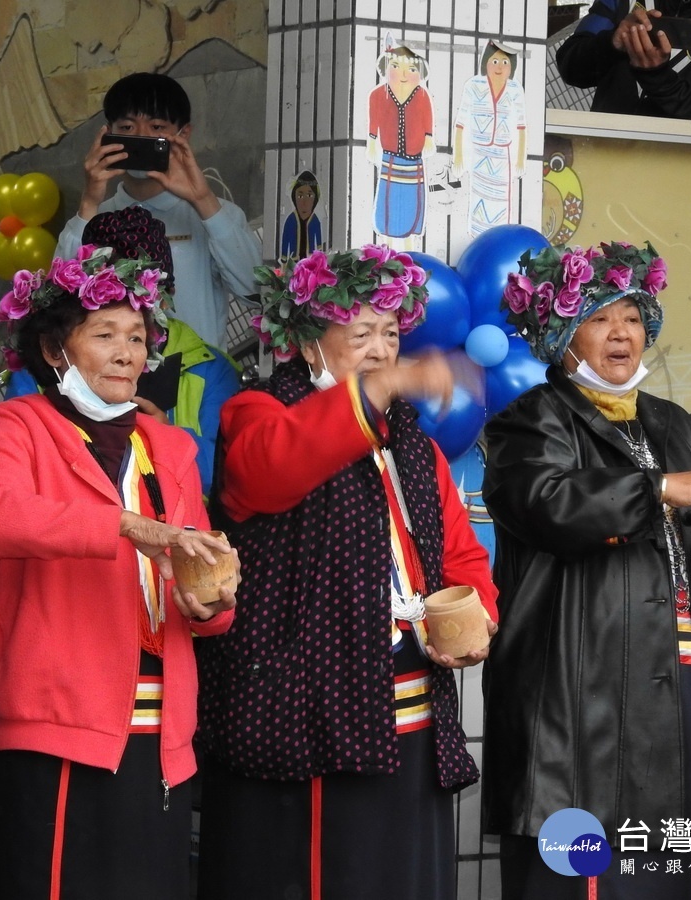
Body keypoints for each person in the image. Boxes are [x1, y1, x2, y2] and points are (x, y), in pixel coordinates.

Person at [482, 241, 691, 899]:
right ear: (564, 335)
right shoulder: (528, 423)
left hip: (680, 686)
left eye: (632, 317)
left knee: (664, 873)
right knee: (581, 875)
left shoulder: (683, 427)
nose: (622, 333)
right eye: (600, 319)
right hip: (582, 694)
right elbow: (547, 505)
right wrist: (656, 489)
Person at [195, 246, 499, 900]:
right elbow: (273, 469)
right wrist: (378, 393)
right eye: (360, 333)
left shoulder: (412, 442)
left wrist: (477, 620)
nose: (382, 350)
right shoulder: (256, 412)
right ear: (307, 346)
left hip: (410, 712)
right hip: (299, 719)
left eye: (391, 334)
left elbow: (460, 554)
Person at [0, 242, 238, 899]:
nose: (126, 353)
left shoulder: (169, 446)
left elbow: (194, 572)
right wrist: (122, 523)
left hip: (158, 731)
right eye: (105, 334)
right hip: (53, 722)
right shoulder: (16, 425)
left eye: (137, 337)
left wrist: (210, 603)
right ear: (57, 351)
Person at [7, 206, 239, 490]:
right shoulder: (39, 369)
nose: (123, 355)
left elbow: (231, 479)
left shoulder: (212, 370)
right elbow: (13, 486)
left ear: (167, 296)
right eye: (104, 333)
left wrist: (166, 437)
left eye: (141, 296)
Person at [55, 71, 262, 350]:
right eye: (127, 128)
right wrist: (89, 202)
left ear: (183, 134)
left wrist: (203, 199)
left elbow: (256, 290)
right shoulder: (94, 218)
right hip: (117, 383)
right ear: (107, 134)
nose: (141, 138)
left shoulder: (214, 214)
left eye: (156, 127)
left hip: (199, 380)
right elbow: (58, 298)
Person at [555, 0, 691, 123]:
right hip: (603, 155)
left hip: (676, 176)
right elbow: (570, 67)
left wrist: (658, 77)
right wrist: (613, 42)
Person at [452, 42, 527, 236]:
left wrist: (520, 159)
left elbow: (521, 126)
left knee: (501, 204)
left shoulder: (515, 89)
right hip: (479, 152)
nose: (499, 67)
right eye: (494, 61)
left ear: (511, 67)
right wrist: (459, 156)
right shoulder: (473, 85)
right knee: (479, 201)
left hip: (503, 155)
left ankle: (498, 238)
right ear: (486, 63)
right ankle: (477, 238)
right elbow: (460, 123)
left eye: (505, 62)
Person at [367, 39, 434, 247]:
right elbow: (374, 120)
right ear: (385, 69)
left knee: (411, 203)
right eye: (396, 67)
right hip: (390, 157)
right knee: (388, 202)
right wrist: (371, 141)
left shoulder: (422, 95)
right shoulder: (378, 95)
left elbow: (427, 119)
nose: (404, 75)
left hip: (414, 159)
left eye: (411, 69)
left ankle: (409, 247)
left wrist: (429, 138)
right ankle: (386, 245)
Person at [280, 170, 323, 259]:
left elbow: (319, 241)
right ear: (294, 197)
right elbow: (285, 239)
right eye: (300, 196)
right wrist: (284, 258)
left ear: (315, 199)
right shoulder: (290, 220)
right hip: (294, 262)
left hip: (310, 262)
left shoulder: (315, 220)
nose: (304, 202)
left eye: (309, 196)